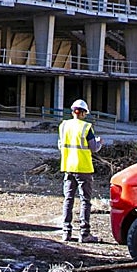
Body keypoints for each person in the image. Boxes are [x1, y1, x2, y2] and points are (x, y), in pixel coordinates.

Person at [58, 99, 103, 243]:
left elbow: (61, 145)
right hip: (83, 168)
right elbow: (93, 148)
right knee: (85, 201)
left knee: (68, 199)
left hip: (68, 167)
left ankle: (66, 232)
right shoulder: (86, 127)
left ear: (72, 112)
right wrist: (100, 142)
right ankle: (84, 234)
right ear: (83, 113)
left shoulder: (64, 126)